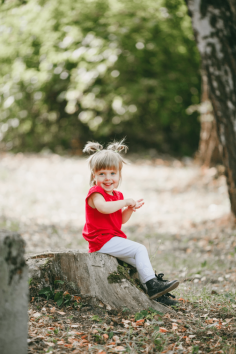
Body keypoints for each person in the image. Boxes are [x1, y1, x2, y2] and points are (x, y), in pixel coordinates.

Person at [82, 139, 179, 305]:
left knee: (138, 262)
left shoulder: (117, 196)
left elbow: (120, 220)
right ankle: (153, 286)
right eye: (102, 174)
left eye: (112, 174)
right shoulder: (96, 193)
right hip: (100, 240)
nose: (107, 178)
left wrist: (129, 209)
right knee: (140, 249)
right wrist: (126, 202)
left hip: (111, 238)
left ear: (119, 175)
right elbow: (104, 208)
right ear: (94, 176)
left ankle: (155, 292)